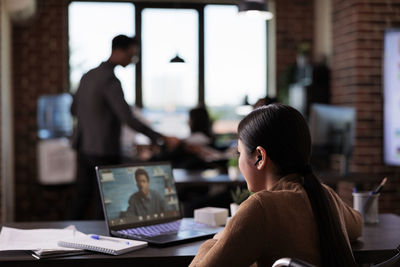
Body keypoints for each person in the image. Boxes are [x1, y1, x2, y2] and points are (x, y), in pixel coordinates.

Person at [189, 103, 362, 267]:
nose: (238, 160)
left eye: (239, 153)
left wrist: (217, 240)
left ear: (259, 157)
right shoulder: (324, 195)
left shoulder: (260, 207)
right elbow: (357, 226)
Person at [69, 34, 176, 220]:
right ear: (118, 51)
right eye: (131, 55)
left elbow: (73, 109)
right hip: (103, 150)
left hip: (83, 147)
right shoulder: (110, 80)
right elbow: (127, 117)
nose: (133, 60)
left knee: (82, 198)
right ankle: (101, 246)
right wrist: (157, 137)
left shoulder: (87, 76)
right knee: (104, 203)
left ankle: (68, 241)